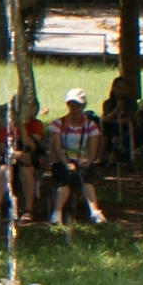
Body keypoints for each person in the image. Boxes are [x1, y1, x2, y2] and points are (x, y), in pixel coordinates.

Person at [45, 88, 108, 226]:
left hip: (82, 160)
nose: (74, 108)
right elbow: (57, 148)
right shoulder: (58, 124)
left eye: (77, 105)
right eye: (71, 104)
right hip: (62, 161)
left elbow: (93, 149)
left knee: (84, 176)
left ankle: (95, 211)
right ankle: (57, 212)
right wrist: (67, 163)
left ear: (83, 106)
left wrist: (88, 160)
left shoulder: (91, 126)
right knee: (67, 176)